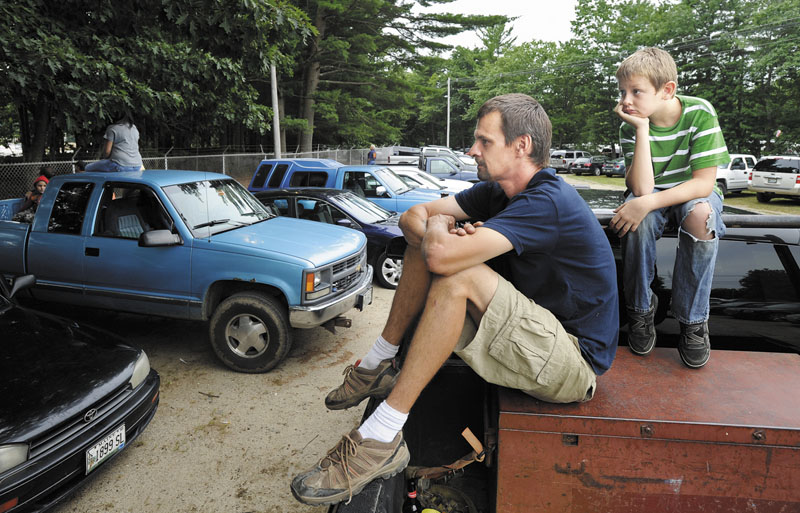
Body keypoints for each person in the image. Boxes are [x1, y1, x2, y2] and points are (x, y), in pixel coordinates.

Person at [290, 93, 619, 506]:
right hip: (536, 339)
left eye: (484, 141)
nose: (471, 150)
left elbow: (441, 253)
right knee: (424, 249)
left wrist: (442, 236)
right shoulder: (495, 192)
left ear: (522, 146)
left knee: (453, 272)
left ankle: (382, 437)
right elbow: (411, 218)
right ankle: (379, 361)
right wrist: (440, 234)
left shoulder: (548, 201)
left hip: (573, 360)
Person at [609, 47, 729, 368]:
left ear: (667, 90)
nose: (626, 100)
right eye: (622, 91)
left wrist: (646, 202)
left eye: (636, 91)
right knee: (639, 221)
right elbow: (642, 188)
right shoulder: (631, 125)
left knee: (702, 218)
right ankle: (640, 310)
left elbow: (703, 185)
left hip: (693, 192)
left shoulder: (699, 112)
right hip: (653, 191)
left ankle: (692, 322)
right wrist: (642, 130)